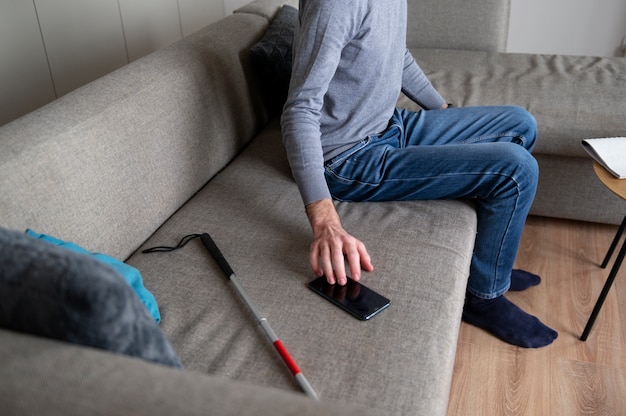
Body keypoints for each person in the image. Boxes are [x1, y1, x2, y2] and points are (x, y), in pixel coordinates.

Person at [280, 0, 558, 348]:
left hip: (391, 123)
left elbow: (398, 54)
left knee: (520, 124)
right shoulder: (335, 5)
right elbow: (299, 111)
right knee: (517, 168)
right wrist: (325, 222)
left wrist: (444, 116)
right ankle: (483, 296)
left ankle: (491, 264)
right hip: (348, 157)